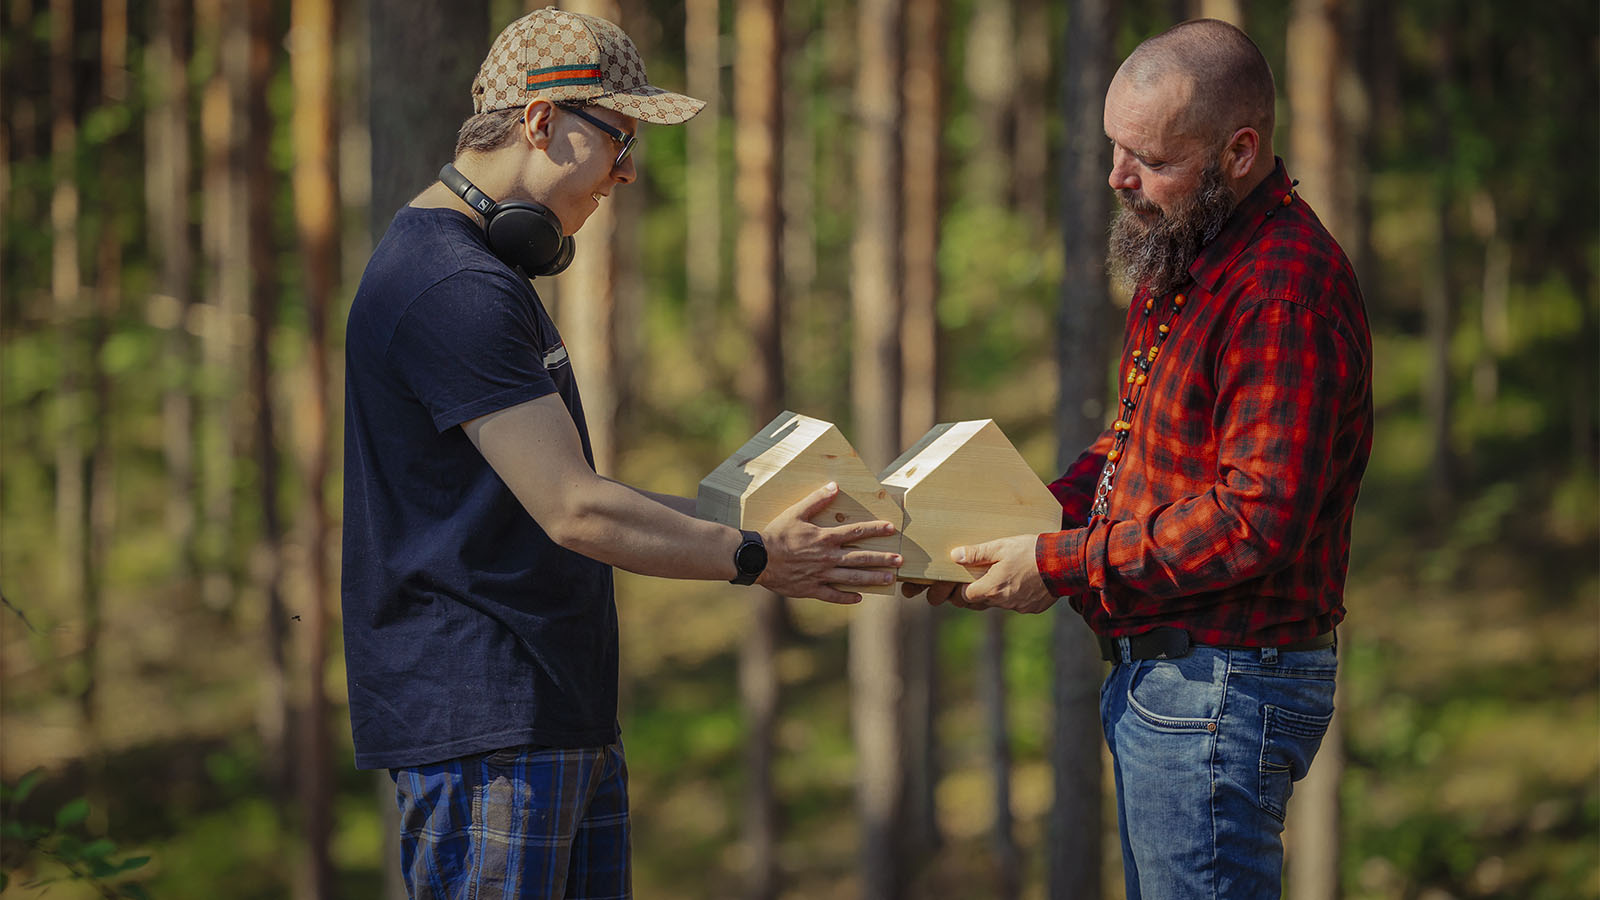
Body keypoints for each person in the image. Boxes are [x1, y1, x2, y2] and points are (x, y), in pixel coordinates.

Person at [341, 8, 902, 898]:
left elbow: (579, 493)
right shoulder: (452, 287)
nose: (627, 172)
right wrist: (755, 557)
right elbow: (575, 511)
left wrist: (748, 518)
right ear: (539, 121)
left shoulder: (480, 276)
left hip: (547, 716)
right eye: (617, 138)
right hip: (493, 726)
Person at [914, 19, 1373, 899]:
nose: (1118, 177)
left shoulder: (1281, 292)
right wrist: (1014, 520)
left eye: (1150, 158)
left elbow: (1254, 519)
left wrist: (1056, 563)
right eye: (1113, 147)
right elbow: (1132, 449)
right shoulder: (1189, 252)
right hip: (1176, 679)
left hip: (1221, 689)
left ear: (1240, 152)